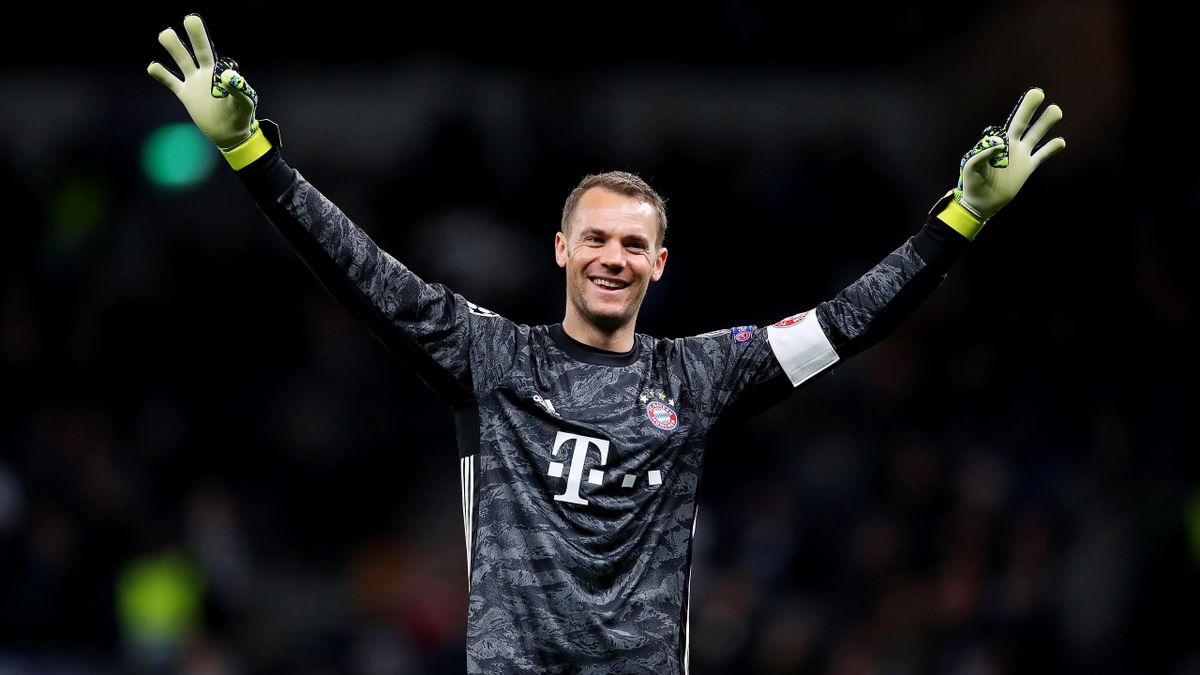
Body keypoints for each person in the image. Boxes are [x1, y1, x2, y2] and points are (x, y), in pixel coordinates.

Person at [148, 13, 1065, 674]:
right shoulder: (491, 357)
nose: (612, 257)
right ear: (561, 249)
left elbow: (844, 322)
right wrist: (253, 156)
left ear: (659, 264)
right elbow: (359, 270)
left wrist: (963, 215)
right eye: (594, 237)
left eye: (632, 243)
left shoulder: (700, 374)